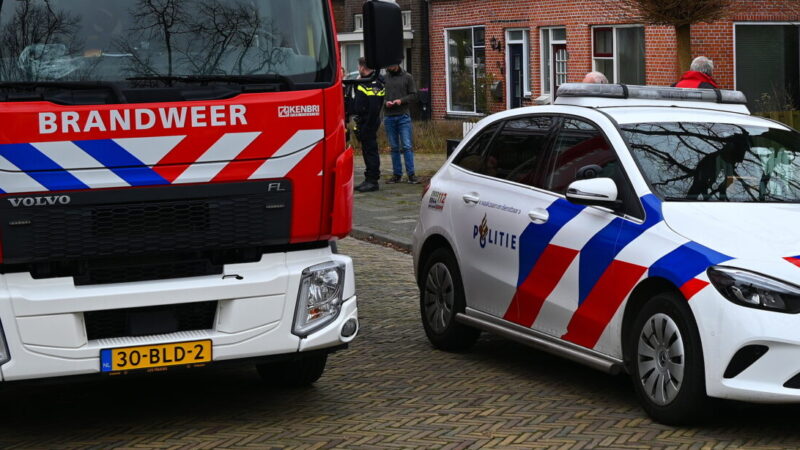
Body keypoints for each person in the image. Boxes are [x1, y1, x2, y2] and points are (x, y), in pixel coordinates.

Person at [383, 63, 420, 184]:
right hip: (389, 116)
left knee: (407, 146)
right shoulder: (384, 78)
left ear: (397, 64)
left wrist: (401, 101)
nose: (388, 67)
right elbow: (379, 95)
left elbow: (414, 95)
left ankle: (411, 175)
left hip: (403, 115)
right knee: (394, 147)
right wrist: (385, 102)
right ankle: (397, 175)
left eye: (390, 65)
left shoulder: (407, 77)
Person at [352, 57, 385, 193]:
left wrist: (366, 127)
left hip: (369, 122)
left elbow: (373, 108)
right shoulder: (365, 82)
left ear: (362, 67)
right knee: (367, 151)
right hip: (364, 121)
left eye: (359, 67)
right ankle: (369, 179)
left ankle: (372, 181)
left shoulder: (373, 84)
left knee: (371, 151)